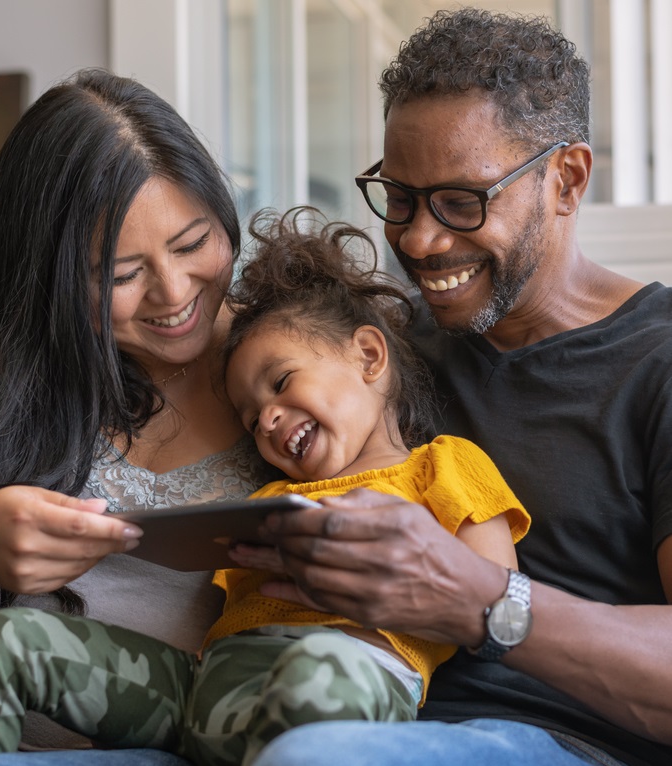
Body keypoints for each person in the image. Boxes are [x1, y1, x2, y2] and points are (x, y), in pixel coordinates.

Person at [0, 208, 530, 765]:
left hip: (344, 674)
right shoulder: (263, 502)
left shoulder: (442, 466)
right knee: (4, 639)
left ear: (369, 356)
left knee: (316, 677)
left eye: (282, 380)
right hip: (206, 689)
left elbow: (492, 594)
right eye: (248, 414)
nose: (265, 417)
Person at [234, 9, 672, 766]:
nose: (418, 240)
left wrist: (481, 600)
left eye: (462, 201)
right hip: (327, 708)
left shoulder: (657, 362)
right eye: (400, 198)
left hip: (560, 744)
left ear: (565, 179)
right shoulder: (376, 358)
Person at [0, 68, 280, 765]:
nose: (174, 294)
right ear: (44, 277)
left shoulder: (298, 367)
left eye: (194, 242)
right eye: (118, 275)